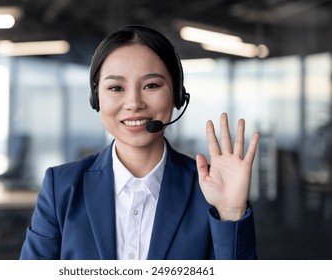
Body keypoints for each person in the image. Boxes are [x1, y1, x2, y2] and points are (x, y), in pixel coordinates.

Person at [20, 25, 260, 260]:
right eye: (116, 87)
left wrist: (230, 213)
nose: (134, 103)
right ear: (96, 98)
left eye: (151, 85)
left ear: (177, 94)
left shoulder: (208, 191)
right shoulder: (61, 187)